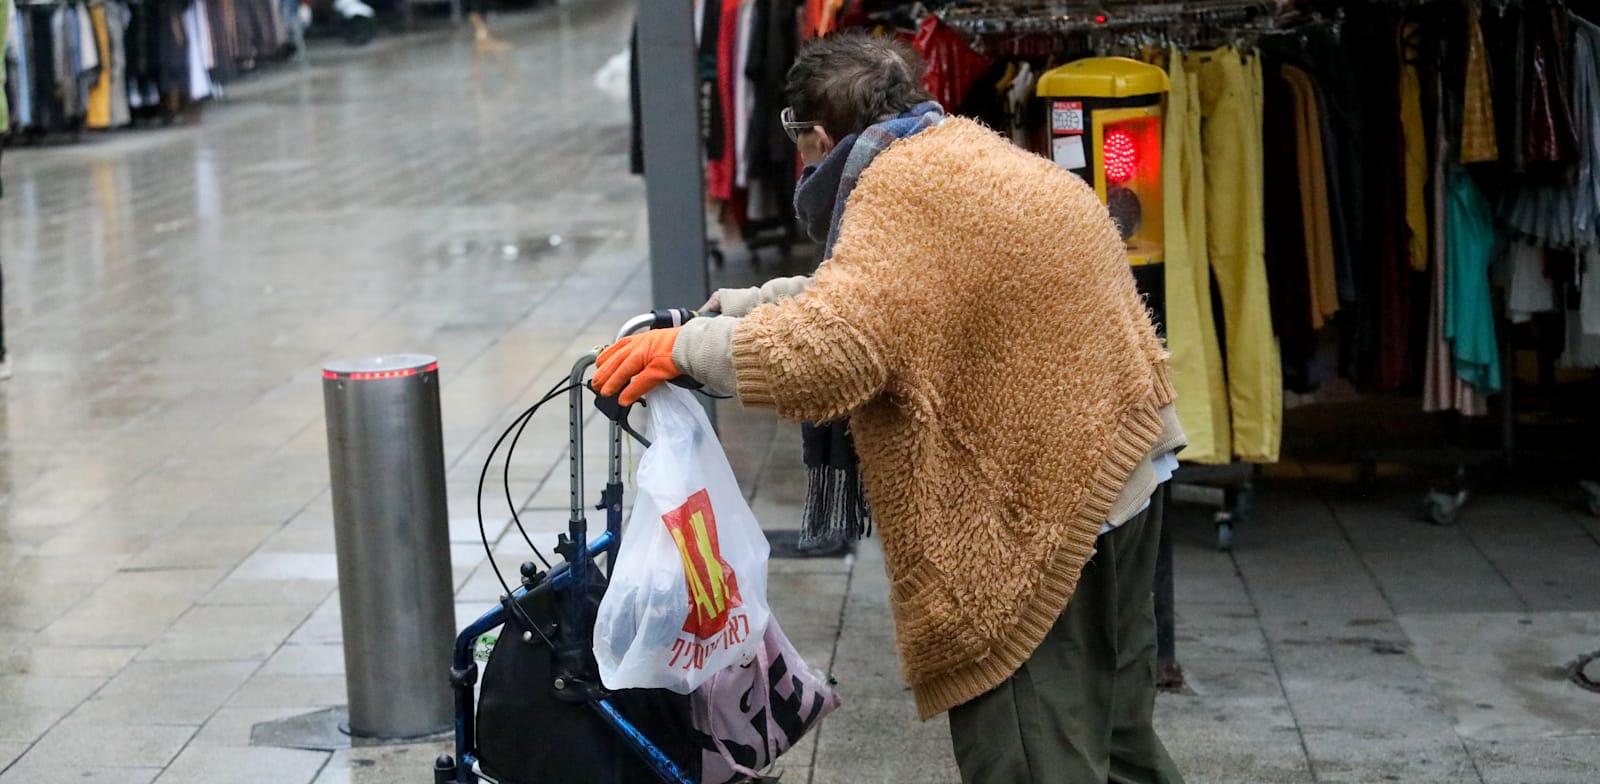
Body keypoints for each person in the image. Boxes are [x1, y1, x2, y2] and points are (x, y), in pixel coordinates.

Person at [595, 32, 1186, 784]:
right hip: (1124, 462)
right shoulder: (957, 151)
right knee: (1117, 740)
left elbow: (830, 352)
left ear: (815, 136)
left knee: (1034, 754)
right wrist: (729, 314)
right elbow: (881, 298)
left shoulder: (901, 193)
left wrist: (682, 353)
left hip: (1050, 508)